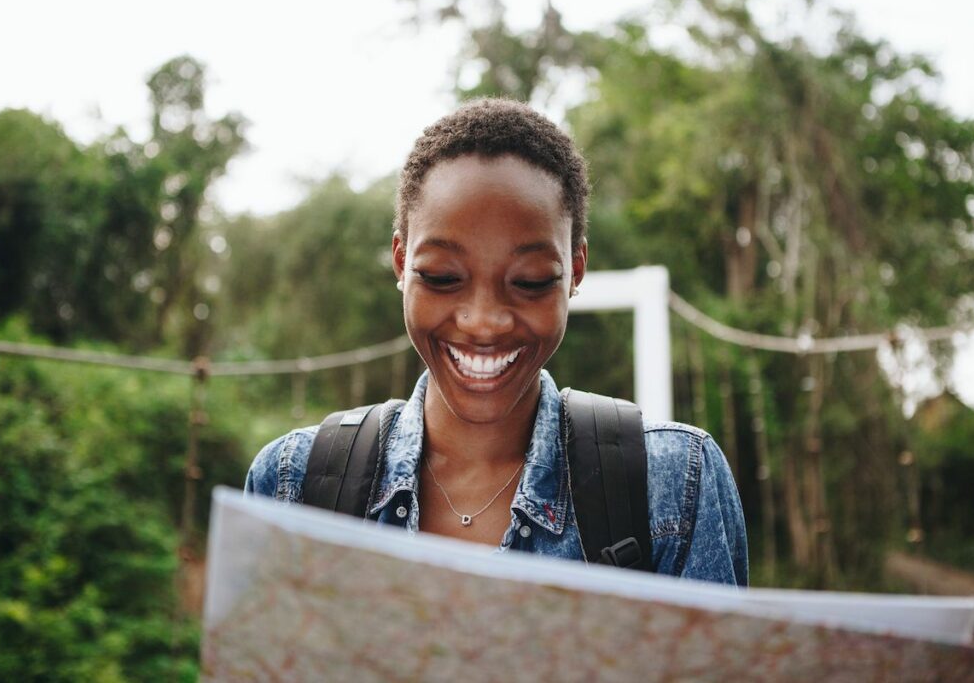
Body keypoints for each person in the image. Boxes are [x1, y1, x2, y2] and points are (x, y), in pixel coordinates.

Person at [244, 98, 748, 586]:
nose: (484, 323)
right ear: (401, 262)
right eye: (442, 277)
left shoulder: (676, 485)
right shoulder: (290, 485)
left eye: (528, 281)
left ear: (574, 270)